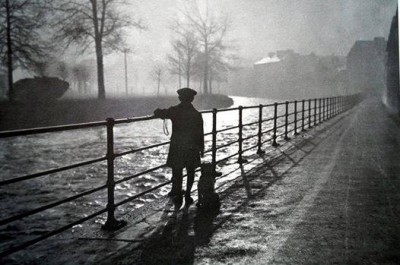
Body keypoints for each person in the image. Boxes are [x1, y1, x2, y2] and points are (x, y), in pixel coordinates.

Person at [153, 88, 204, 209]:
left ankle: (178, 195)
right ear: (192, 99)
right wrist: (201, 148)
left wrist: (157, 111)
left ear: (180, 98)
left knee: (177, 170)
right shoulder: (196, 114)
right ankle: (187, 194)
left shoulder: (174, 111)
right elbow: (200, 133)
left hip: (178, 145)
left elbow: (159, 113)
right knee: (191, 170)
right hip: (192, 146)